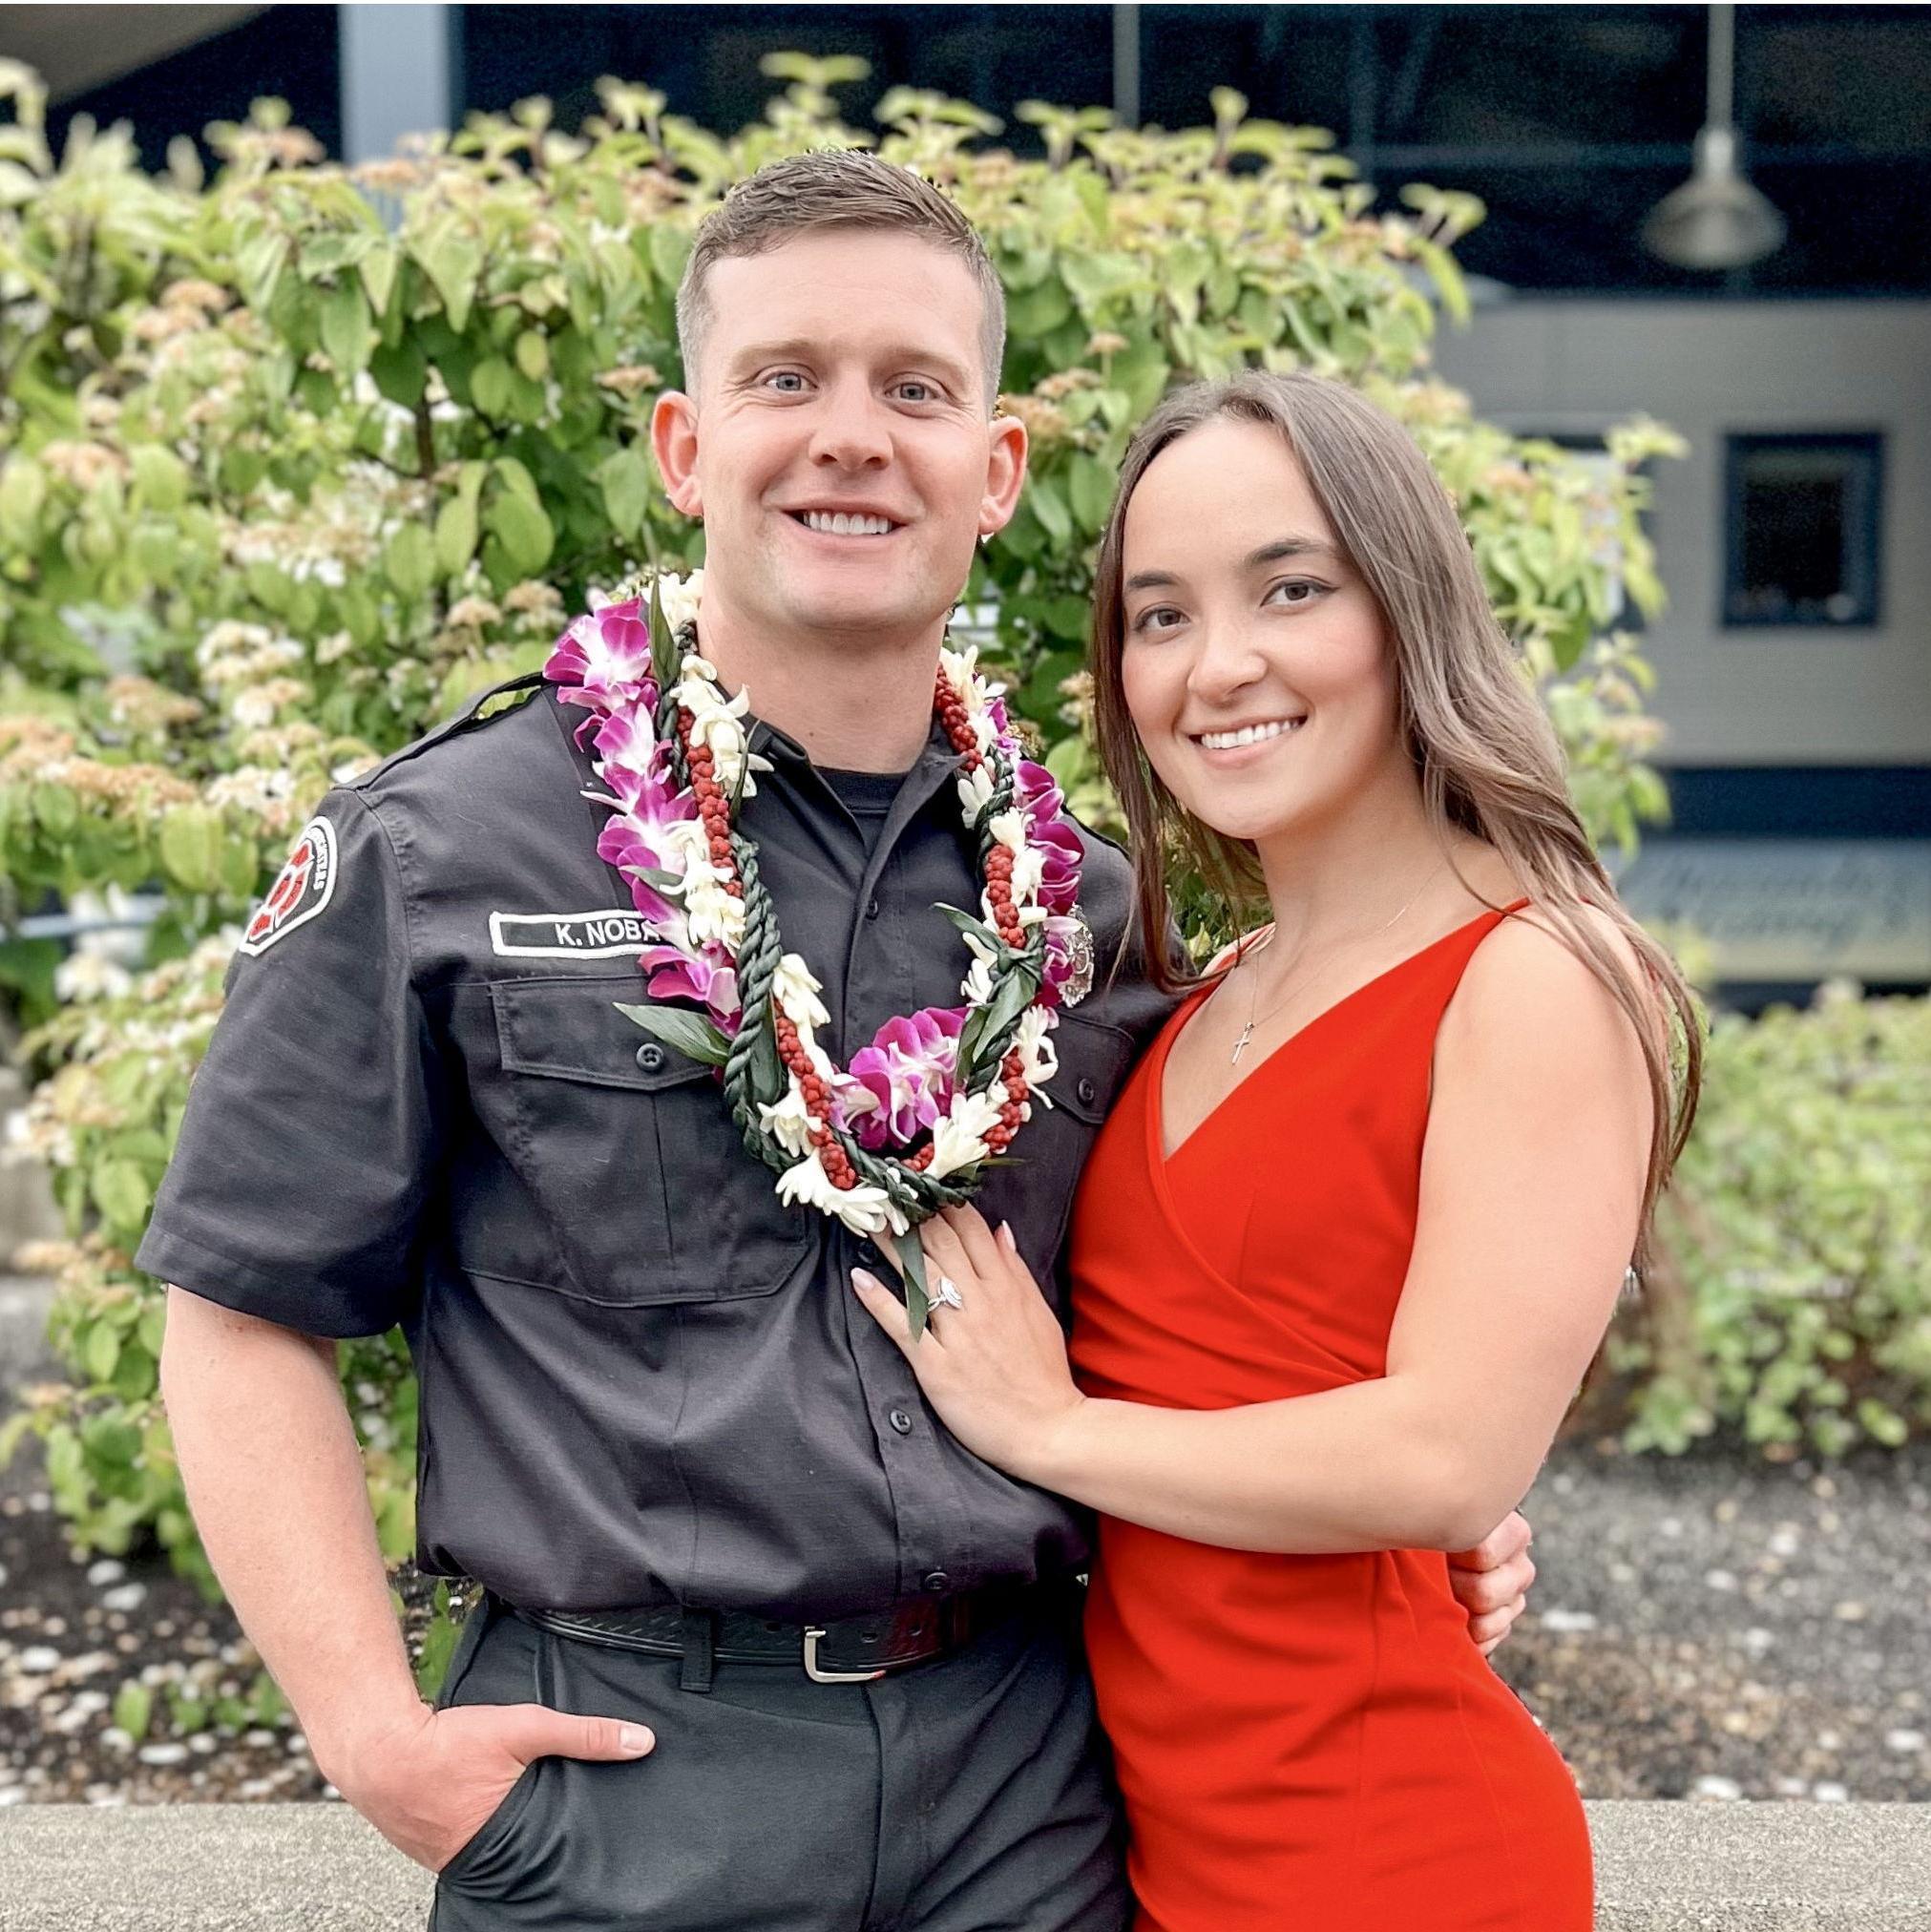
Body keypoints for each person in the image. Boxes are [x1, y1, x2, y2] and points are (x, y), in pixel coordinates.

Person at [140, 157, 1536, 1932]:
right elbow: (243, 1306)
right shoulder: (440, 852)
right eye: (784, 378)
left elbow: (1199, 1303)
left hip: (1043, 1785)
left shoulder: (1098, 910)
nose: (851, 438)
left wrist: (1418, 1511)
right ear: (682, 444)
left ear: (996, 469)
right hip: (629, 1783)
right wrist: (369, 1730)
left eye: (917, 390)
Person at [852, 369, 1703, 1930]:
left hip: (1393, 1854)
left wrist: (1051, 1431)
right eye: (1159, 616)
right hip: (1158, 1847)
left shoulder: (1536, 973)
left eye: (1290, 589)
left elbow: (1451, 1459)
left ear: (1407, 610)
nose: (1215, 665)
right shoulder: (1201, 995)